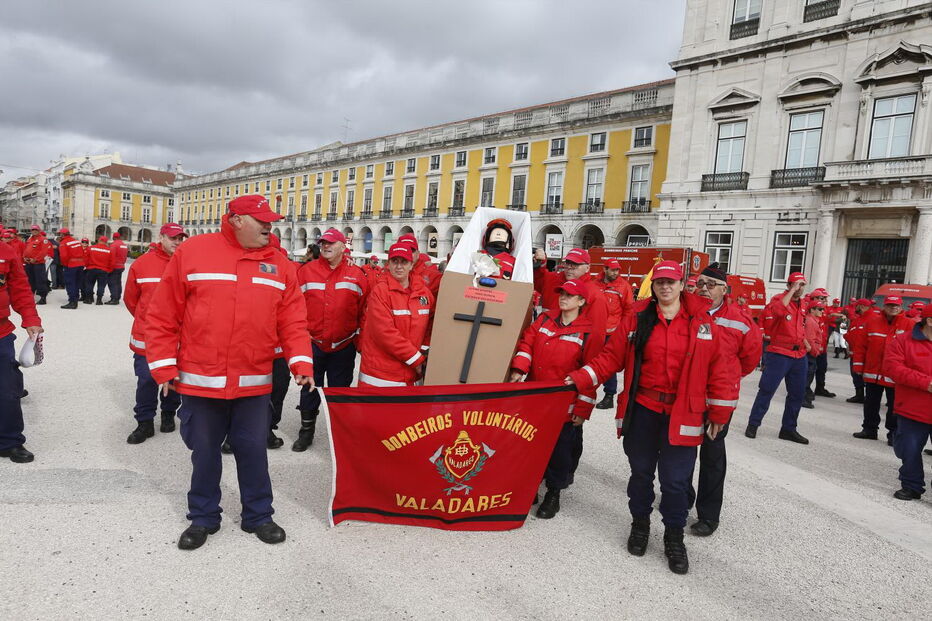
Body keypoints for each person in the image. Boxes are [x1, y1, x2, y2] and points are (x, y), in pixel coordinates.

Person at [144, 194, 314, 550]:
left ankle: (259, 515)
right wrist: (162, 368)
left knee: (253, 449)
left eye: (271, 221)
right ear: (236, 220)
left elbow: (293, 321)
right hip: (200, 382)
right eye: (262, 221)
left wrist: (301, 362)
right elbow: (162, 315)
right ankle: (203, 517)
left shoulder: (281, 265)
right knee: (204, 451)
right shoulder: (193, 253)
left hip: (252, 383)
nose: (270, 226)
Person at [565, 260, 733, 575]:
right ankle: (640, 524)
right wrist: (580, 377)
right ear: (653, 287)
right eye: (660, 282)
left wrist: (720, 411)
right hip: (643, 410)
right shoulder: (638, 319)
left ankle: (673, 537)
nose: (666, 287)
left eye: (671, 282)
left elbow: (719, 369)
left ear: (683, 285)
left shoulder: (702, 322)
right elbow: (610, 358)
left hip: (683, 413)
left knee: (675, 481)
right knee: (641, 474)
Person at [509, 279, 602, 519]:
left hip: (563, 403)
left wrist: (582, 409)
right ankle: (530, 487)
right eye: (562, 294)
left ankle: (554, 493)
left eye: (570, 296)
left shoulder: (588, 330)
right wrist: (520, 367)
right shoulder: (545, 319)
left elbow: (591, 372)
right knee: (529, 445)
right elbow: (527, 343)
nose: (563, 298)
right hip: (536, 397)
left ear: (581, 302)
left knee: (560, 450)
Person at [687, 263, 761, 537]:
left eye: (710, 284)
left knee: (712, 456)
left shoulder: (740, 320)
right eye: (700, 283)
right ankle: (682, 499)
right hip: (686, 396)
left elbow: (749, 360)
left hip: (718, 400)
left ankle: (708, 515)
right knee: (680, 453)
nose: (704, 289)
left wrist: (725, 383)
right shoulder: (686, 312)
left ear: (724, 289)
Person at [293, 228, 368, 451]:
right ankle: (306, 432)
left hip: (343, 346)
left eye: (331, 243)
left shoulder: (357, 275)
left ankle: (340, 435)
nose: (326, 246)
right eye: (323, 243)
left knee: (340, 392)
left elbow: (364, 311)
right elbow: (294, 307)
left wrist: (359, 339)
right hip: (312, 344)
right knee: (309, 389)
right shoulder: (305, 272)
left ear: (343, 247)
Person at [123, 223, 187, 444]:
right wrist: (147, 320)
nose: (177, 243)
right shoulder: (142, 264)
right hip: (147, 335)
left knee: (175, 378)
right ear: (161, 237)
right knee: (146, 379)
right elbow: (131, 300)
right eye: (173, 238)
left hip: (178, 334)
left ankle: (168, 413)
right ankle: (144, 422)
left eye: (180, 239)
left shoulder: (187, 264)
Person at [356, 242, 433, 387]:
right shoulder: (380, 291)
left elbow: (431, 323)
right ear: (388, 264)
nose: (399, 266)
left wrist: (425, 350)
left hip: (412, 375)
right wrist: (417, 359)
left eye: (404, 262)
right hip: (382, 376)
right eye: (394, 261)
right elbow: (384, 333)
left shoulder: (424, 293)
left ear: (411, 265)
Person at [745, 272, 810, 444]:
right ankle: (753, 424)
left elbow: (798, 325)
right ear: (788, 285)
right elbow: (779, 312)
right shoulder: (779, 300)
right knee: (766, 390)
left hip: (798, 355)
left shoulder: (803, 304)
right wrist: (791, 291)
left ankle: (788, 429)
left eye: (803, 285)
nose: (800, 288)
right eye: (796, 285)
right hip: (779, 353)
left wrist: (805, 341)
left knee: (797, 394)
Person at [0, 236, 43, 463]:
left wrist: (31, 318)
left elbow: (19, 287)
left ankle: (9, 442)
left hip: (0, 333)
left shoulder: (5, 250)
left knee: (7, 390)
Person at [884, 304, 932, 500]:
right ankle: (912, 485)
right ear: (929, 321)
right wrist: (926, 383)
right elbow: (893, 368)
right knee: (909, 448)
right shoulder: (903, 341)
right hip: (913, 408)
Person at [851, 296, 914, 445]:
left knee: (895, 406)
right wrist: (858, 366)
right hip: (874, 372)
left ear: (901, 307)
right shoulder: (872, 322)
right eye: (890, 305)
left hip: (895, 374)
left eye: (896, 305)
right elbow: (861, 345)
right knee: (871, 403)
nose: (893, 308)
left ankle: (893, 434)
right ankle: (869, 429)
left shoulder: (909, 324)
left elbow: (913, 350)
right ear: (884, 306)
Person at [533, 247, 608, 339]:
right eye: (568, 263)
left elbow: (596, 334)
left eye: (575, 264)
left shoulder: (595, 295)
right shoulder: (551, 280)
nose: (569, 268)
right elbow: (535, 280)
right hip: (543, 341)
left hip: (571, 349)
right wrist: (539, 264)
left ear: (587, 268)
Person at [594, 259, 634, 410]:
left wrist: (622, 331)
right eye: (612, 270)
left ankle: (609, 395)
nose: (615, 273)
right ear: (605, 269)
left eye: (617, 270)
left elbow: (629, 310)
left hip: (612, 332)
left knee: (608, 365)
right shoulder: (594, 284)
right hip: (595, 331)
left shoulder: (624, 287)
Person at [807, 288, 836, 399]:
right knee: (809, 370)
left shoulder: (823, 310)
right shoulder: (810, 310)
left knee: (822, 368)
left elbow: (830, 317)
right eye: (822, 298)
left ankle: (820, 388)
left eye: (825, 298)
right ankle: (805, 390)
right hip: (813, 345)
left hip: (822, 346)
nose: (825, 300)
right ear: (814, 298)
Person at [844, 298, 874, 403]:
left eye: (856, 305)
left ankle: (868, 397)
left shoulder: (872, 319)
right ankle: (860, 395)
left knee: (864, 377)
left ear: (861, 306)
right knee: (856, 376)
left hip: (864, 355)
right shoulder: (858, 319)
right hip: (855, 354)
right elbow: (852, 333)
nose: (854, 307)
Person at [396, 233, 442, 297]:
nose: (407, 252)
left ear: (418, 254)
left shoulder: (433, 276)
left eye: (412, 250)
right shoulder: (387, 275)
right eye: (403, 249)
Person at [802, 303, 825, 409]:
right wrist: (815, 352)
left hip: (811, 353)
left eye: (822, 309)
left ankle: (807, 397)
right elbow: (810, 339)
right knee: (807, 377)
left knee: (808, 376)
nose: (822, 311)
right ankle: (803, 399)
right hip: (810, 354)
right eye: (820, 309)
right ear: (812, 310)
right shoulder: (811, 322)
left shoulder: (814, 321)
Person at [23, 225, 53, 305]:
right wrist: (24, 257)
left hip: (38, 264)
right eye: (33, 229)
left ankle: (42, 298)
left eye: (36, 230)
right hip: (29, 263)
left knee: (40, 280)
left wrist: (35, 259)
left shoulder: (43, 239)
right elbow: (26, 249)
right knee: (30, 280)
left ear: (39, 230)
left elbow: (43, 252)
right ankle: (30, 296)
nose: (34, 231)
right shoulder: (29, 239)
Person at [57, 228, 85, 309]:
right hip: (80, 264)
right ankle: (75, 299)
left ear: (62, 234)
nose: (60, 235)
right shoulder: (76, 241)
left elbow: (63, 256)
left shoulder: (63, 243)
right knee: (77, 283)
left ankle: (72, 302)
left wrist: (65, 265)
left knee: (70, 283)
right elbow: (82, 252)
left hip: (71, 265)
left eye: (60, 234)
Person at [84, 236, 114, 305]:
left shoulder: (91, 248)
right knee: (101, 286)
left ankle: (88, 299)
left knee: (89, 284)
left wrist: (87, 266)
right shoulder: (109, 250)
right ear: (106, 242)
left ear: (98, 240)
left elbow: (86, 258)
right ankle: (99, 300)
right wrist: (109, 270)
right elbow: (112, 262)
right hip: (103, 270)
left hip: (91, 269)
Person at [106, 232, 129, 304]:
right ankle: (117, 297)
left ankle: (114, 299)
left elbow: (112, 257)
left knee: (112, 283)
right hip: (121, 266)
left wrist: (110, 268)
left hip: (115, 266)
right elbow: (125, 257)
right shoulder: (124, 245)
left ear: (114, 237)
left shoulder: (114, 245)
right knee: (118, 282)